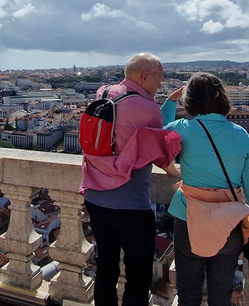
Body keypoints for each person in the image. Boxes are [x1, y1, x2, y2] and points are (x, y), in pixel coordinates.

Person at [162, 72, 249, 306]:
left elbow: (157, 134)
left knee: (188, 291)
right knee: (222, 293)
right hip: (229, 220)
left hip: (189, 218)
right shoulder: (240, 134)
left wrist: (171, 101)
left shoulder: (181, 129)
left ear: (190, 100)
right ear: (222, 97)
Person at [81, 53, 179, 306]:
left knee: (106, 265)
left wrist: (167, 102)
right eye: (159, 79)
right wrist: (178, 175)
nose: (160, 84)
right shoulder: (147, 109)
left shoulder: (103, 92)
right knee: (139, 272)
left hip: (94, 196)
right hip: (129, 205)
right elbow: (159, 146)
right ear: (145, 76)